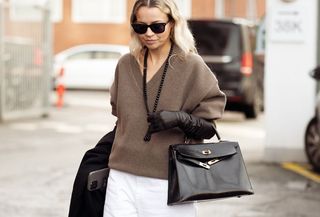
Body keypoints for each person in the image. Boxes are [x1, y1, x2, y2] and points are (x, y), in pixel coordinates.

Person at [103, 0, 226, 217]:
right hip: (121, 177)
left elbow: (209, 128)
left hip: (169, 180)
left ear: (173, 24)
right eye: (141, 27)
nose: (149, 33)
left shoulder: (192, 66)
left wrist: (181, 119)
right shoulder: (125, 65)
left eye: (157, 26)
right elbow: (121, 119)